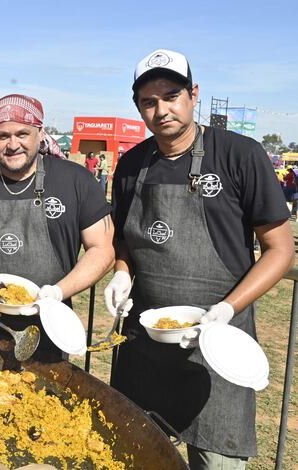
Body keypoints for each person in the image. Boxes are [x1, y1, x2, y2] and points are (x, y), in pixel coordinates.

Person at [105, 49, 294, 469]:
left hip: (217, 346)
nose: (161, 110)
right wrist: (120, 271)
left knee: (216, 461)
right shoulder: (132, 165)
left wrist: (227, 308)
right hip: (146, 347)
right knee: (137, 457)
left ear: (194, 94)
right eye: (148, 102)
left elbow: (281, 250)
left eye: (171, 95)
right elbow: (125, 239)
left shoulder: (239, 155)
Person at [0, 94, 114, 360]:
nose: (13, 145)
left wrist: (58, 292)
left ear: (40, 133)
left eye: (23, 134)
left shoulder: (75, 181)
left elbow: (102, 249)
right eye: (2, 136)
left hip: (48, 332)